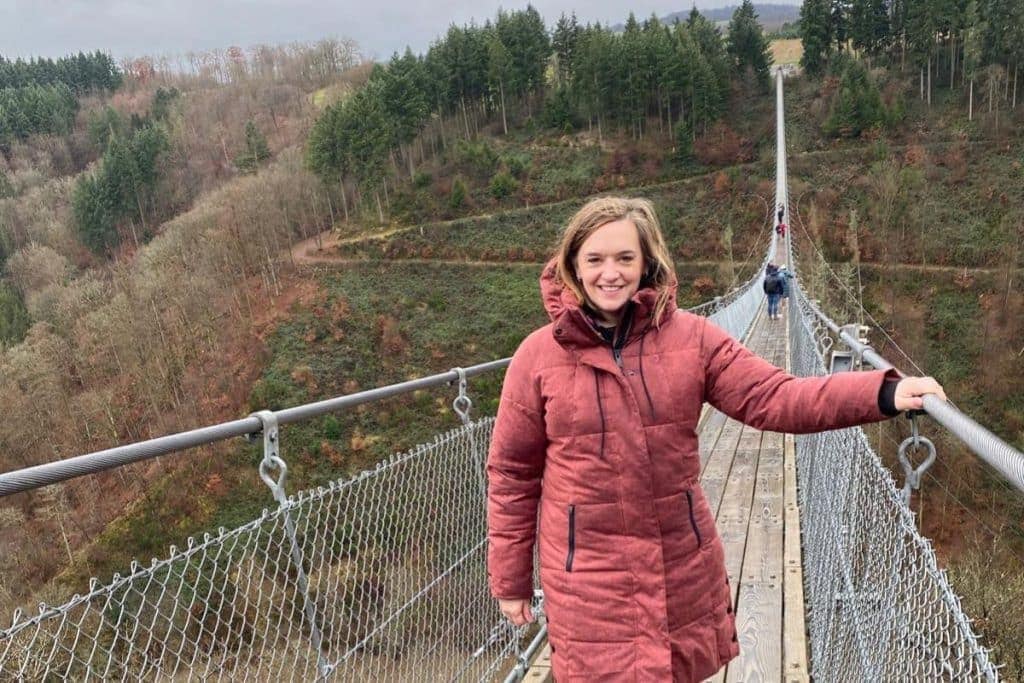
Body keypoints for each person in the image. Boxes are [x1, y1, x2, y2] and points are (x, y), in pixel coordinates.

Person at [486, 196, 945, 682]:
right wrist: (511, 580)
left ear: (647, 263)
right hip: (587, 583)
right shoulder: (537, 357)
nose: (610, 273)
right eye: (595, 259)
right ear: (573, 265)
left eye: (625, 258)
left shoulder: (692, 339)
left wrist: (883, 392)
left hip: (680, 567)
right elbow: (513, 475)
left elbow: (776, 397)